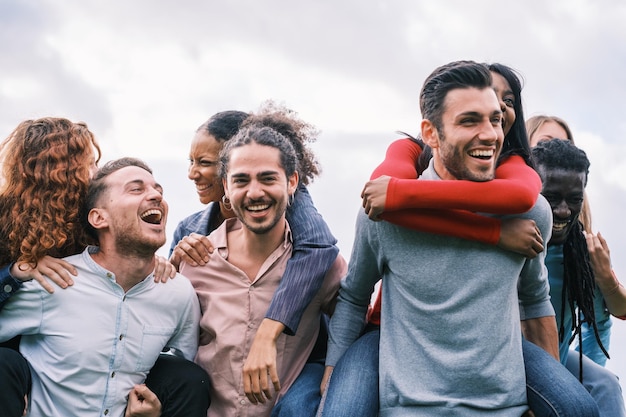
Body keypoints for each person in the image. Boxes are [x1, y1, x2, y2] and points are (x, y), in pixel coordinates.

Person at [319, 63, 599, 417]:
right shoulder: (385, 216)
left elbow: (533, 300)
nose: (490, 135)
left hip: (504, 406)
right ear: (431, 134)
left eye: (495, 120)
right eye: (469, 121)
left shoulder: (531, 211)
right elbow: (354, 297)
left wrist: (545, 394)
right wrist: (332, 373)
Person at [0, 118, 199, 417]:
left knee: (185, 377)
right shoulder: (6, 225)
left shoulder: (81, 226)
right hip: (25, 364)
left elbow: (121, 247)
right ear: (57, 170)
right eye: (89, 164)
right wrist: (15, 272)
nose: (95, 173)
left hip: (97, 367)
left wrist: (146, 258)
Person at [169, 103, 339, 417]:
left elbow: (320, 249)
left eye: (203, 162)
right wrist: (170, 265)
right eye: (241, 179)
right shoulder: (192, 235)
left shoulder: (301, 223)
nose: (193, 173)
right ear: (227, 178)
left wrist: (270, 334)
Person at [532, 139, 626, 415]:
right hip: (514, 359)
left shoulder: (580, 254)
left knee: (606, 384)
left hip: (559, 359)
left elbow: (600, 320)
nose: (563, 210)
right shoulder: (511, 236)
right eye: (552, 197)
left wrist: (587, 368)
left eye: (574, 199)